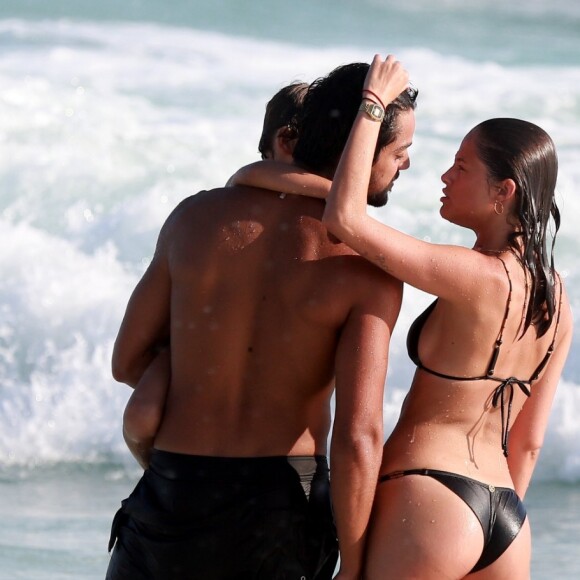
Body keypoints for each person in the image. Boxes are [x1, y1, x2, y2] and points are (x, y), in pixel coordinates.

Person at [231, 55, 573, 579]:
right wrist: (488, 522)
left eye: (461, 168)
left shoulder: (471, 274)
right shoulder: (558, 299)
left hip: (429, 497)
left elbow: (345, 218)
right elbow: (527, 442)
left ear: (503, 192)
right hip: (506, 519)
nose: (443, 175)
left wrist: (372, 106)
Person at [106, 61, 417, 580]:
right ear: (360, 148)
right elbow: (358, 436)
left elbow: (127, 361)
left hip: (171, 491)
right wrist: (356, 565)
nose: (405, 166)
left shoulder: (193, 218)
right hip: (281, 503)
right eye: (400, 152)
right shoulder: (366, 266)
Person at [121, 81, 309, 470]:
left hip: (183, 471)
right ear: (287, 141)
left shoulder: (194, 220)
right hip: (286, 479)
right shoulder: (345, 245)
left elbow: (126, 361)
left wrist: (189, 372)